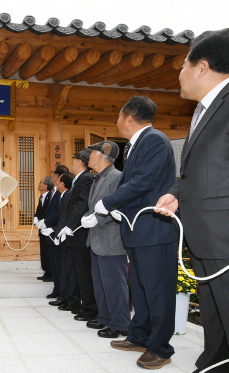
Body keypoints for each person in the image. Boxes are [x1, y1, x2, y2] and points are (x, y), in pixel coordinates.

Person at [155, 29, 229, 373]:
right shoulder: (204, 109)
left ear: (202, 67)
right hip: (206, 236)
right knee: (215, 314)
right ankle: (213, 362)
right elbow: (208, 170)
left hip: (223, 237)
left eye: (183, 65)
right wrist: (178, 193)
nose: (178, 74)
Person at [94, 96, 178, 370]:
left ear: (129, 117)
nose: (117, 121)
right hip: (137, 229)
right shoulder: (137, 144)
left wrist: (108, 202)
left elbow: (143, 182)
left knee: (157, 290)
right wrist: (120, 209)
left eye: (119, 115)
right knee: (140, 288)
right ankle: (140, 335)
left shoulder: (154, 139)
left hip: (154, 230)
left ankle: (160, 348)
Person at [81, 141, 130, 339]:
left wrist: (97, 219)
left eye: (91, 153)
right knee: (101, 282)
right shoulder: (98, 177)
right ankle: (105, 318)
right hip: (97, 239)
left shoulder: (116, 176)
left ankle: (120, 323)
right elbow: (95, 205)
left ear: (101, 155)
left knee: (114, 284)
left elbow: (120, 205)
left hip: (111, 239)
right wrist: (87, 216)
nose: (88, 157)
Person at [58, 148, 97, 322]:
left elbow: (81, 204)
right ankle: (85, 307)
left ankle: (90, 310)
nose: (72, 163)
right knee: (79, 273)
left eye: (74, 160)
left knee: (84, 273)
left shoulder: (86, 178)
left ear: (80, 162)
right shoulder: (80, 179)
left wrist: (69, 225)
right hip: (75, 233)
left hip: (80, 233)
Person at [43, 172, 80, 311]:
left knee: (69, 271)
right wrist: (53, 229)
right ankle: (64, 298)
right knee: (64, 270)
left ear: (63, 184)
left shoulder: (68, 195)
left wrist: (55, 230)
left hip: (67, 237)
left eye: (58, 181)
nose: (56, 183)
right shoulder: (64, 196)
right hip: (60, 235)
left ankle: (70, 299)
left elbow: (65, 217)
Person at [42, 165, 69, 300]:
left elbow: (60, 213)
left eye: (55, 175)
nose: (53, 177)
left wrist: (48, 224)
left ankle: (61, 292)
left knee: (59, 266)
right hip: (50, 234)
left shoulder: (62, 192)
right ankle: (57, 289)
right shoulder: (54, 191)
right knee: (54, 265)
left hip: (56, 232)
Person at [33, 176, 54, 282]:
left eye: (40, 182)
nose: (39, 184)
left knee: (49, 252)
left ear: (45, 186)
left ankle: (51, 273)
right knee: (44, 251)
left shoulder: (50, 196)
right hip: (41, 229)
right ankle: (46, 271)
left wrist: (45, 222)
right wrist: (36, 217)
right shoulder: (41, 197)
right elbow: (39, 211)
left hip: (49, 229)